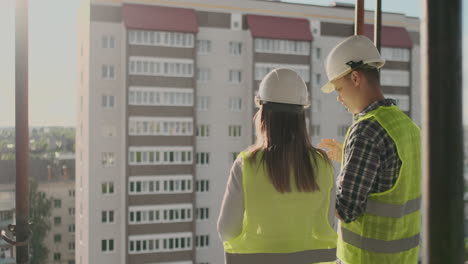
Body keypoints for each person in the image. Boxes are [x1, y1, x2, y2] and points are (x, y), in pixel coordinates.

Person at [217, 68, 338, 264]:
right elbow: (328, 224)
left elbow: (227, 230)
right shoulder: (323, 165)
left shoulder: (246, 164)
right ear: (301, 117)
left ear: (263, 114)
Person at [318, 35, 421, 264]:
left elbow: (346, 209)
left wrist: (313, 178)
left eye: (338, 89)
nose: (339, 98)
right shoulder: (409, 127)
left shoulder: (366, 131)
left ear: (355, 78)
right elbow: (391, 178)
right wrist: (348, 155)